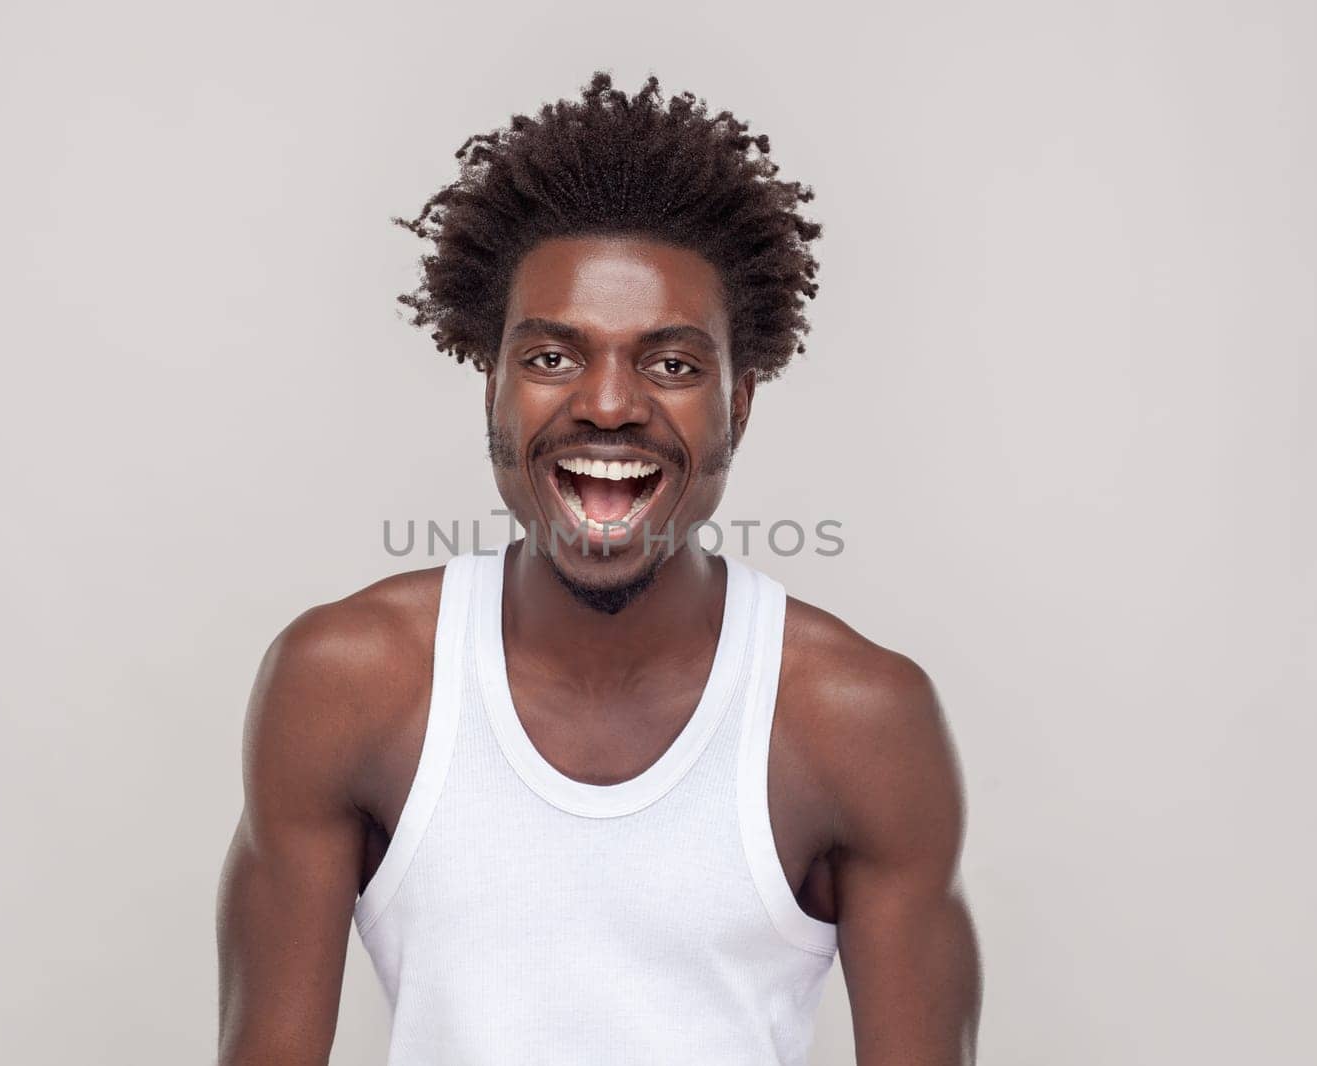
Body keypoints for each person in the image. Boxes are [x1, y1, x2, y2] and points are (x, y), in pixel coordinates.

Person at [216, 72, 981, 1066]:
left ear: (738, 405)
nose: (610, 404)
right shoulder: (348, 683)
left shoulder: (855, 719)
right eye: (550, 358)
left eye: (671, 364)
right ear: (489, 387)